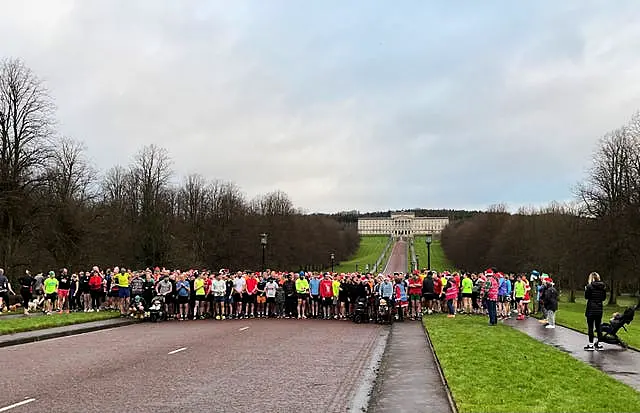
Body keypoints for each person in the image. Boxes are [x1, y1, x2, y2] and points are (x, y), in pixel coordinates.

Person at [584, 272, 607, 351]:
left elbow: (586, 297)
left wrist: (586, 290)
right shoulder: (603, 287)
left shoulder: (589, 287)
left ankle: (590, 345)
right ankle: (599, 344)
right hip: (599, 308)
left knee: (590, 327)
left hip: (591, 308)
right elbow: (604, 298)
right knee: (598, 326)